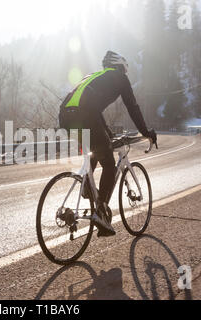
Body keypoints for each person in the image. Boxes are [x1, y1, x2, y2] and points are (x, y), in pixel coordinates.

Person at [59, 51, 157, 237]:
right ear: (122, 67)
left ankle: (88, 187)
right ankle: (101, 214)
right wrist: (146, 132)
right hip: (85, 116)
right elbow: (133, 107)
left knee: (96, 153)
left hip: (66, 116)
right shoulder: (120, 77)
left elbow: (92, 108)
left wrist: (108, 133)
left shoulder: (94, 76)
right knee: (110, 164)